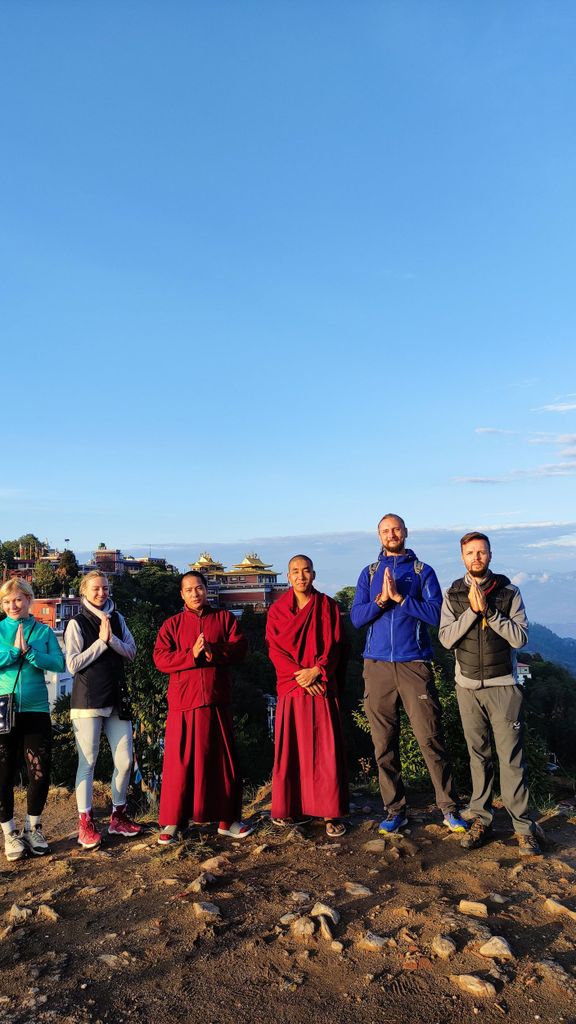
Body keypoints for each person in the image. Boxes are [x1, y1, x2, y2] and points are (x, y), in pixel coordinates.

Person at [350, 513, 467, 835]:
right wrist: (381, 601)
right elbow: (357, 618)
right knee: (383, 742)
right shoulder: (369, 572)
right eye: (385, 530)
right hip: (376, 666)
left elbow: (436, 614)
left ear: (405, 532)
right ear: (379, 535)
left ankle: (449, 808)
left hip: (415, 663)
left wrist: (401, 598)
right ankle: (395, 809)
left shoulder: (422, 571)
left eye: (396, 529)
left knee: (430, 738)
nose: (391, 534)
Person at [439, 531, 543, 855]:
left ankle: (523, 827)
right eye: (470, 553)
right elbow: (445, 638)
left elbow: (519, 638)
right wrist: (471, 612)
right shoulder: (453, 594)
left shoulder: (509, 592)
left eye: (481, 552)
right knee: (478, 757)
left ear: (490, 554)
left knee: (512, 759)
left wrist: (490, 613)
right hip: (467, 688)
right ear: (462, 557)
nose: (476, 558)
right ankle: (482, 819)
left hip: (503, 686)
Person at [153, 570, 253, 844]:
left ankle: (228, 820)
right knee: (179, 764)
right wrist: (191, 655)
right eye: (189, 590)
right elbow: (160, 659)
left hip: (215, 700)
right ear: (181, 594)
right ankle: (174, 822)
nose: (195, 594)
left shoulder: (223, 619)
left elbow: (240, 648)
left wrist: (214, 651)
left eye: (199, 588)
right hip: (183, 703)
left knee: (222, 763)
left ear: (206, 590)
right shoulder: (172, 624)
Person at [266, 555, 348, 837]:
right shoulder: (277, 611)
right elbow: (276, 650)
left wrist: (318, 670)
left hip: (321, 685)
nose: (301, 576)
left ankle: (329, 813)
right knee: (292, 750)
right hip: (294, 688)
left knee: (325, 751)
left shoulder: (327, 607)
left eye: (305, 571)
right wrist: (301, 676)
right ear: (288, 577)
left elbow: (336, 645)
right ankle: (290, 808)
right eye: (295, 572)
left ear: (314, 574)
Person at [65, 570, 141, 849]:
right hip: (87, 702)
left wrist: (112, 640)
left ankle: (117, 816)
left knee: (124, 761)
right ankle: (85, 822)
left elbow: (131, 653)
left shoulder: (118, 619)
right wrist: (100, 643)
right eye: (96, 589)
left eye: (105, 588)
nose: (101, 593)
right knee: (88, 762)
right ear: (84, 591)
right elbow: (72, 665)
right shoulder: (76, 623)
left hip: (117, 698)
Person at [0, 578, 65, 861]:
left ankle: (33, 827)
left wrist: (32, 653)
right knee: (3, 773)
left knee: (39, 771)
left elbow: (59, 663)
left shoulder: (43, 631)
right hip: (3, 707)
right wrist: (14, 651)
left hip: (37, 708)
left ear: (29, 600)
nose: (12, 605)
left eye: (18, 599)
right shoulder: (0, 630)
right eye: (6, 601)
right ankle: (9, 833)